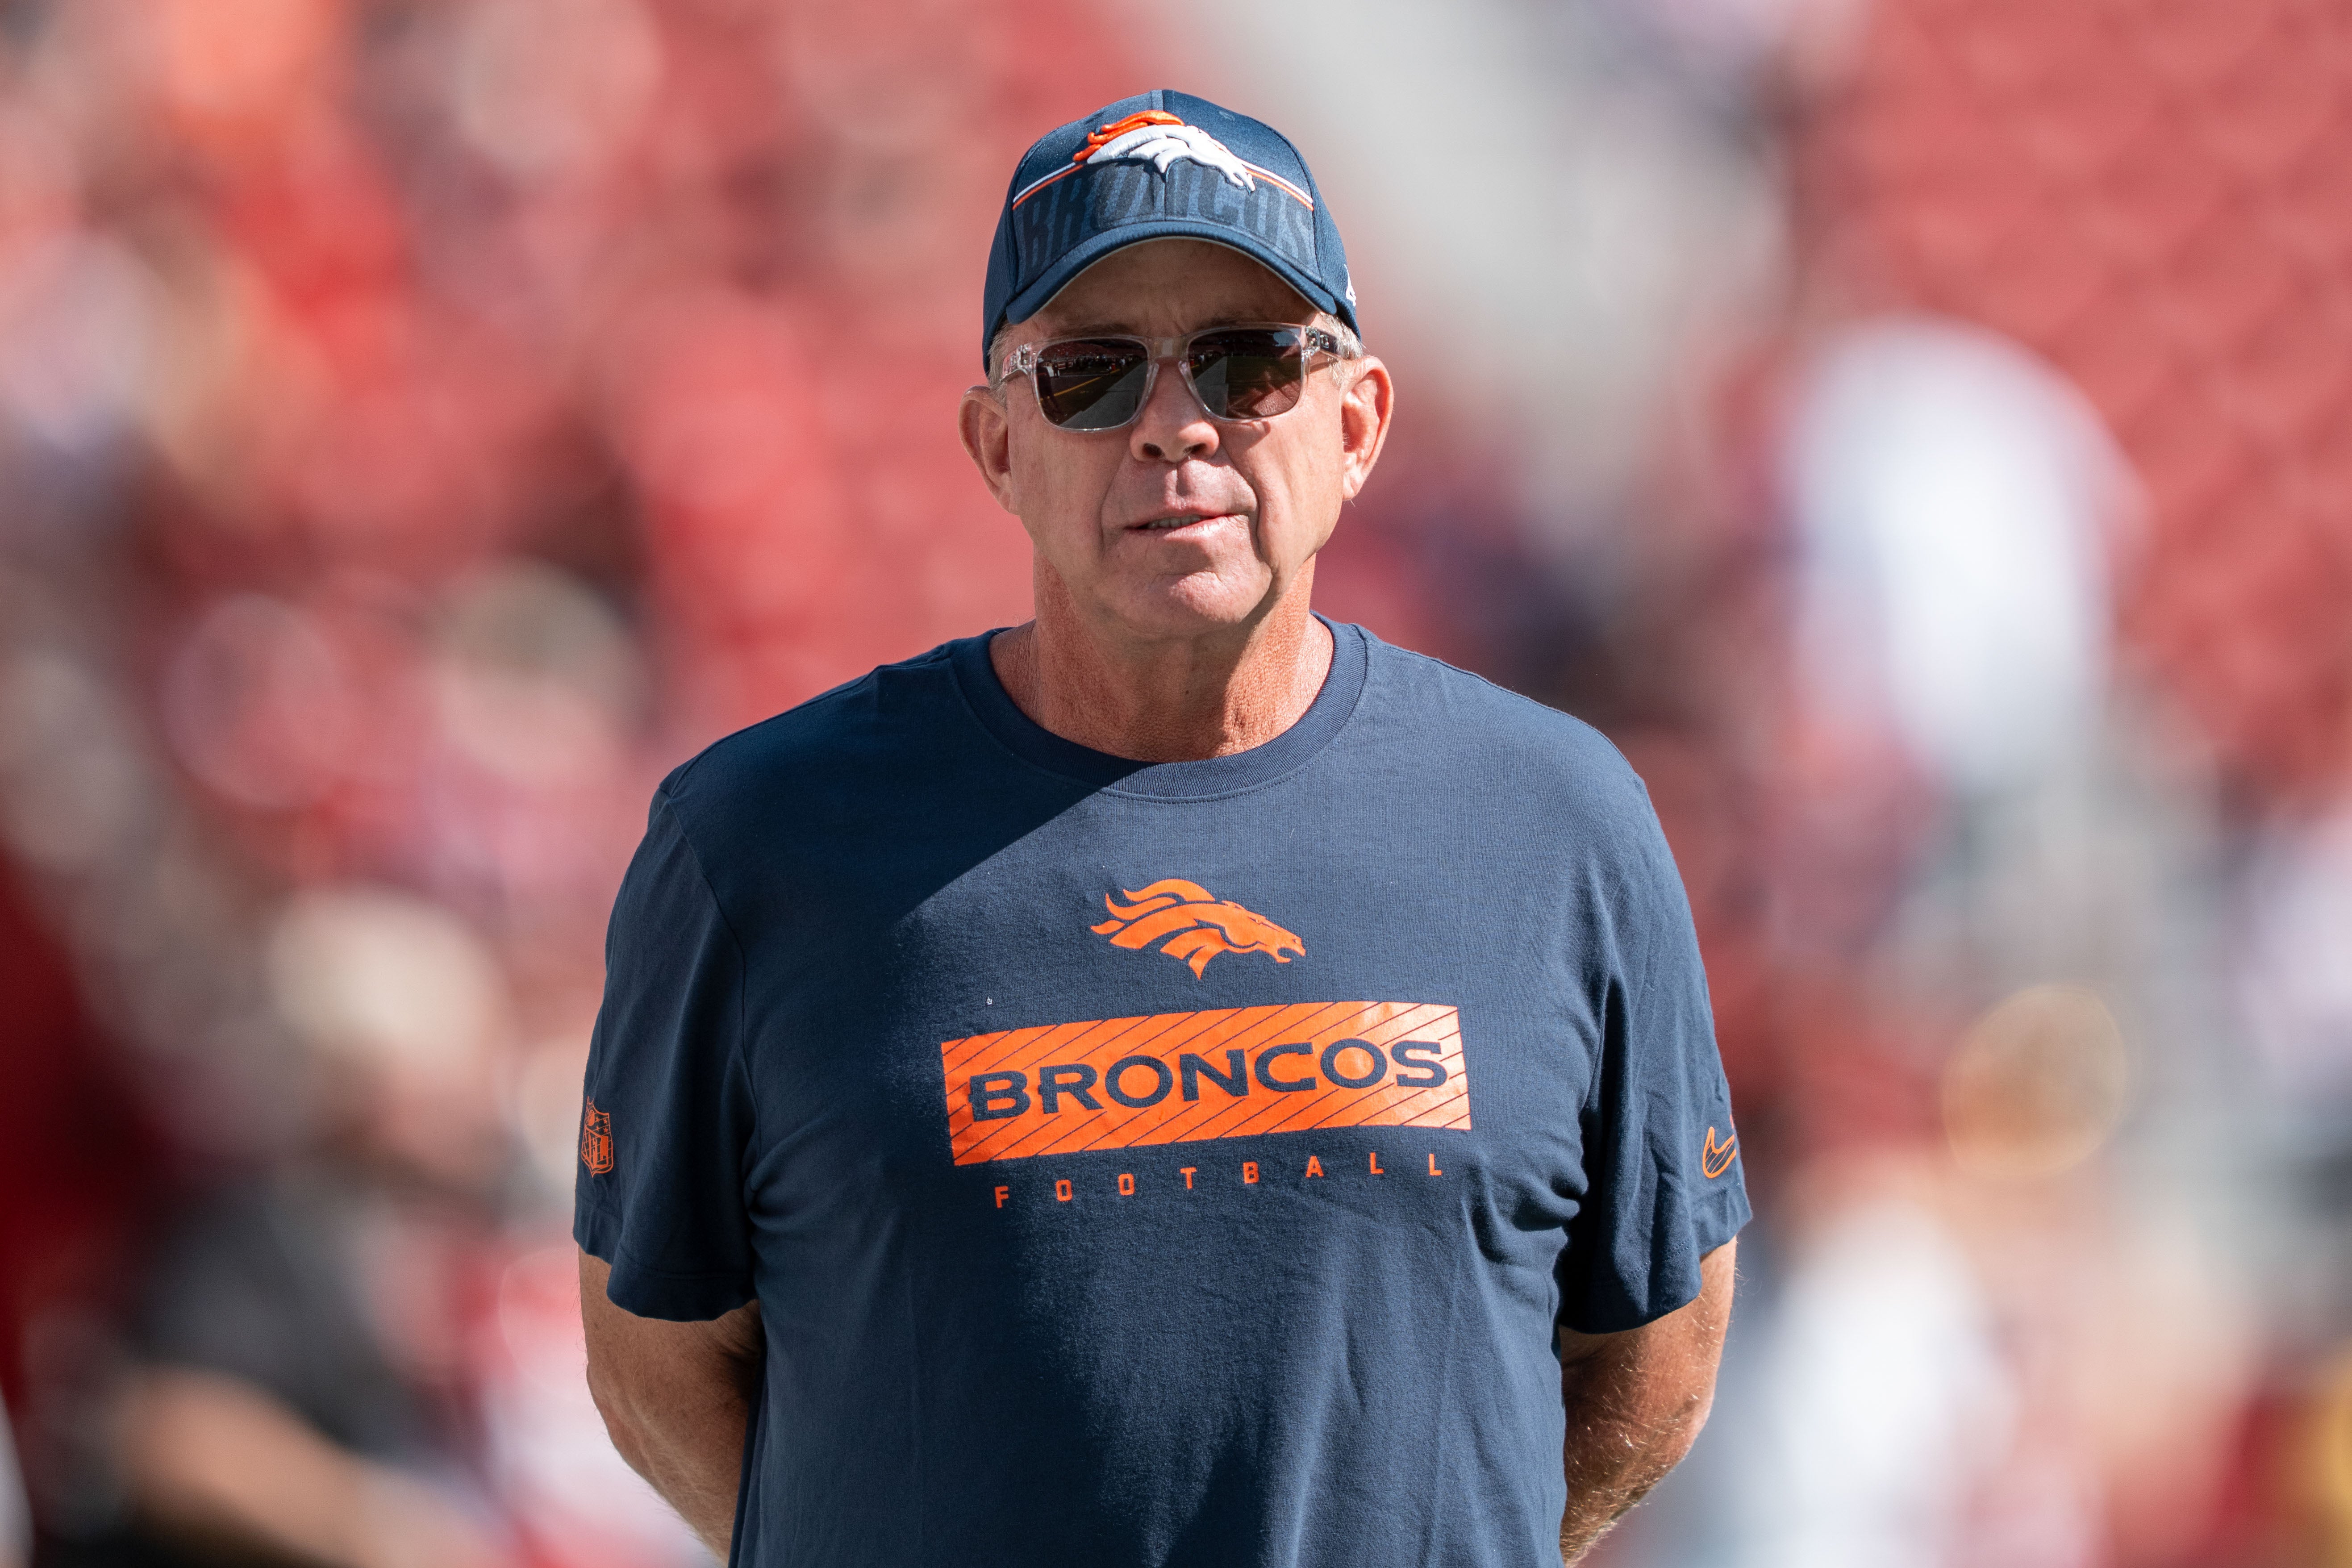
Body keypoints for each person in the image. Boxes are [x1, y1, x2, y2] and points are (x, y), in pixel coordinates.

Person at [576, 89, 1747, 1568]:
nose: (1174, 427)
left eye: (1249, 364)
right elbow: (655, 1362)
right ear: (996, 447)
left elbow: (1657, 1354)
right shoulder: (754, 844)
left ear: (1358, 421)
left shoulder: (1559, 824)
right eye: (1088, 374)